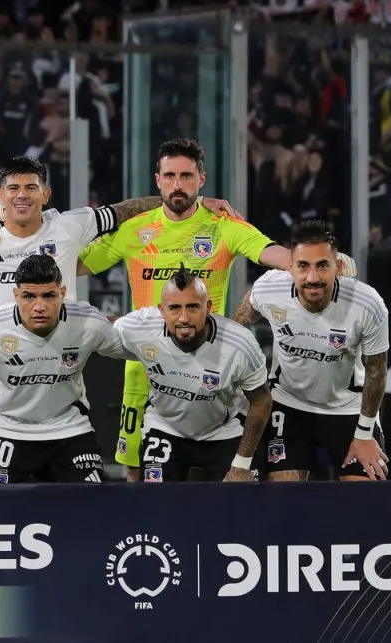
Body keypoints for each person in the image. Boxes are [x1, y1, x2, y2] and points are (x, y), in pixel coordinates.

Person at [0, 154, 241, 482]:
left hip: (61, 365)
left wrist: (194, 200)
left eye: (30, 187)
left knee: (79, 497)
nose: (21, 194)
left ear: (46, 194)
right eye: (12, 188)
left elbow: (127, 209)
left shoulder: (70, 225)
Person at [78, 137, 356, 482]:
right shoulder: (135, 229)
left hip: (211, 367)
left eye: (186, 176)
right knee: (137, 472)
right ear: (158, 179)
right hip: (144, 368)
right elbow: (75, 265)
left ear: (201, 179)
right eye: (170, 176)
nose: (178, 185)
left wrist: (320, 263)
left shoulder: (223, 226)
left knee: (207, 475)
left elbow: (275, 254)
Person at [0, 255, 127, 483]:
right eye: (29, 296)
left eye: (49, 296)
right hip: (10, 429)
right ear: (16, 295)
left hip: (69, 428)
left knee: (91, 506)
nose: (39, 306)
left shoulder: (89, 323)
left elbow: (135, 349)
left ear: (63, 293)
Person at [232, 221, 390, 482]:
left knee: (366, 502)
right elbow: (237, 327)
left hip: (348, 409)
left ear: (337, 267)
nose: (313, 278)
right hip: (289, 404)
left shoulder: (367, 304)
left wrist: (364, 435)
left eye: (322, 266)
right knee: (281, 499)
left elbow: (377, 370)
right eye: (303, 266)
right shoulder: (269, 289)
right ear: (290, 266)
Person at [114, 267, 272, 482]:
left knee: (242, 503)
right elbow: (96, 333)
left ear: (208, 307)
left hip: (223, 430)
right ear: (161, 310)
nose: (184, 318)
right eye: (175, 308)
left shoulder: (240, 344)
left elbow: (261, 400)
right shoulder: (139, 328)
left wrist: (242, 465)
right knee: (156, 506)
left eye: (193, 307)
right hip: (166, 426)